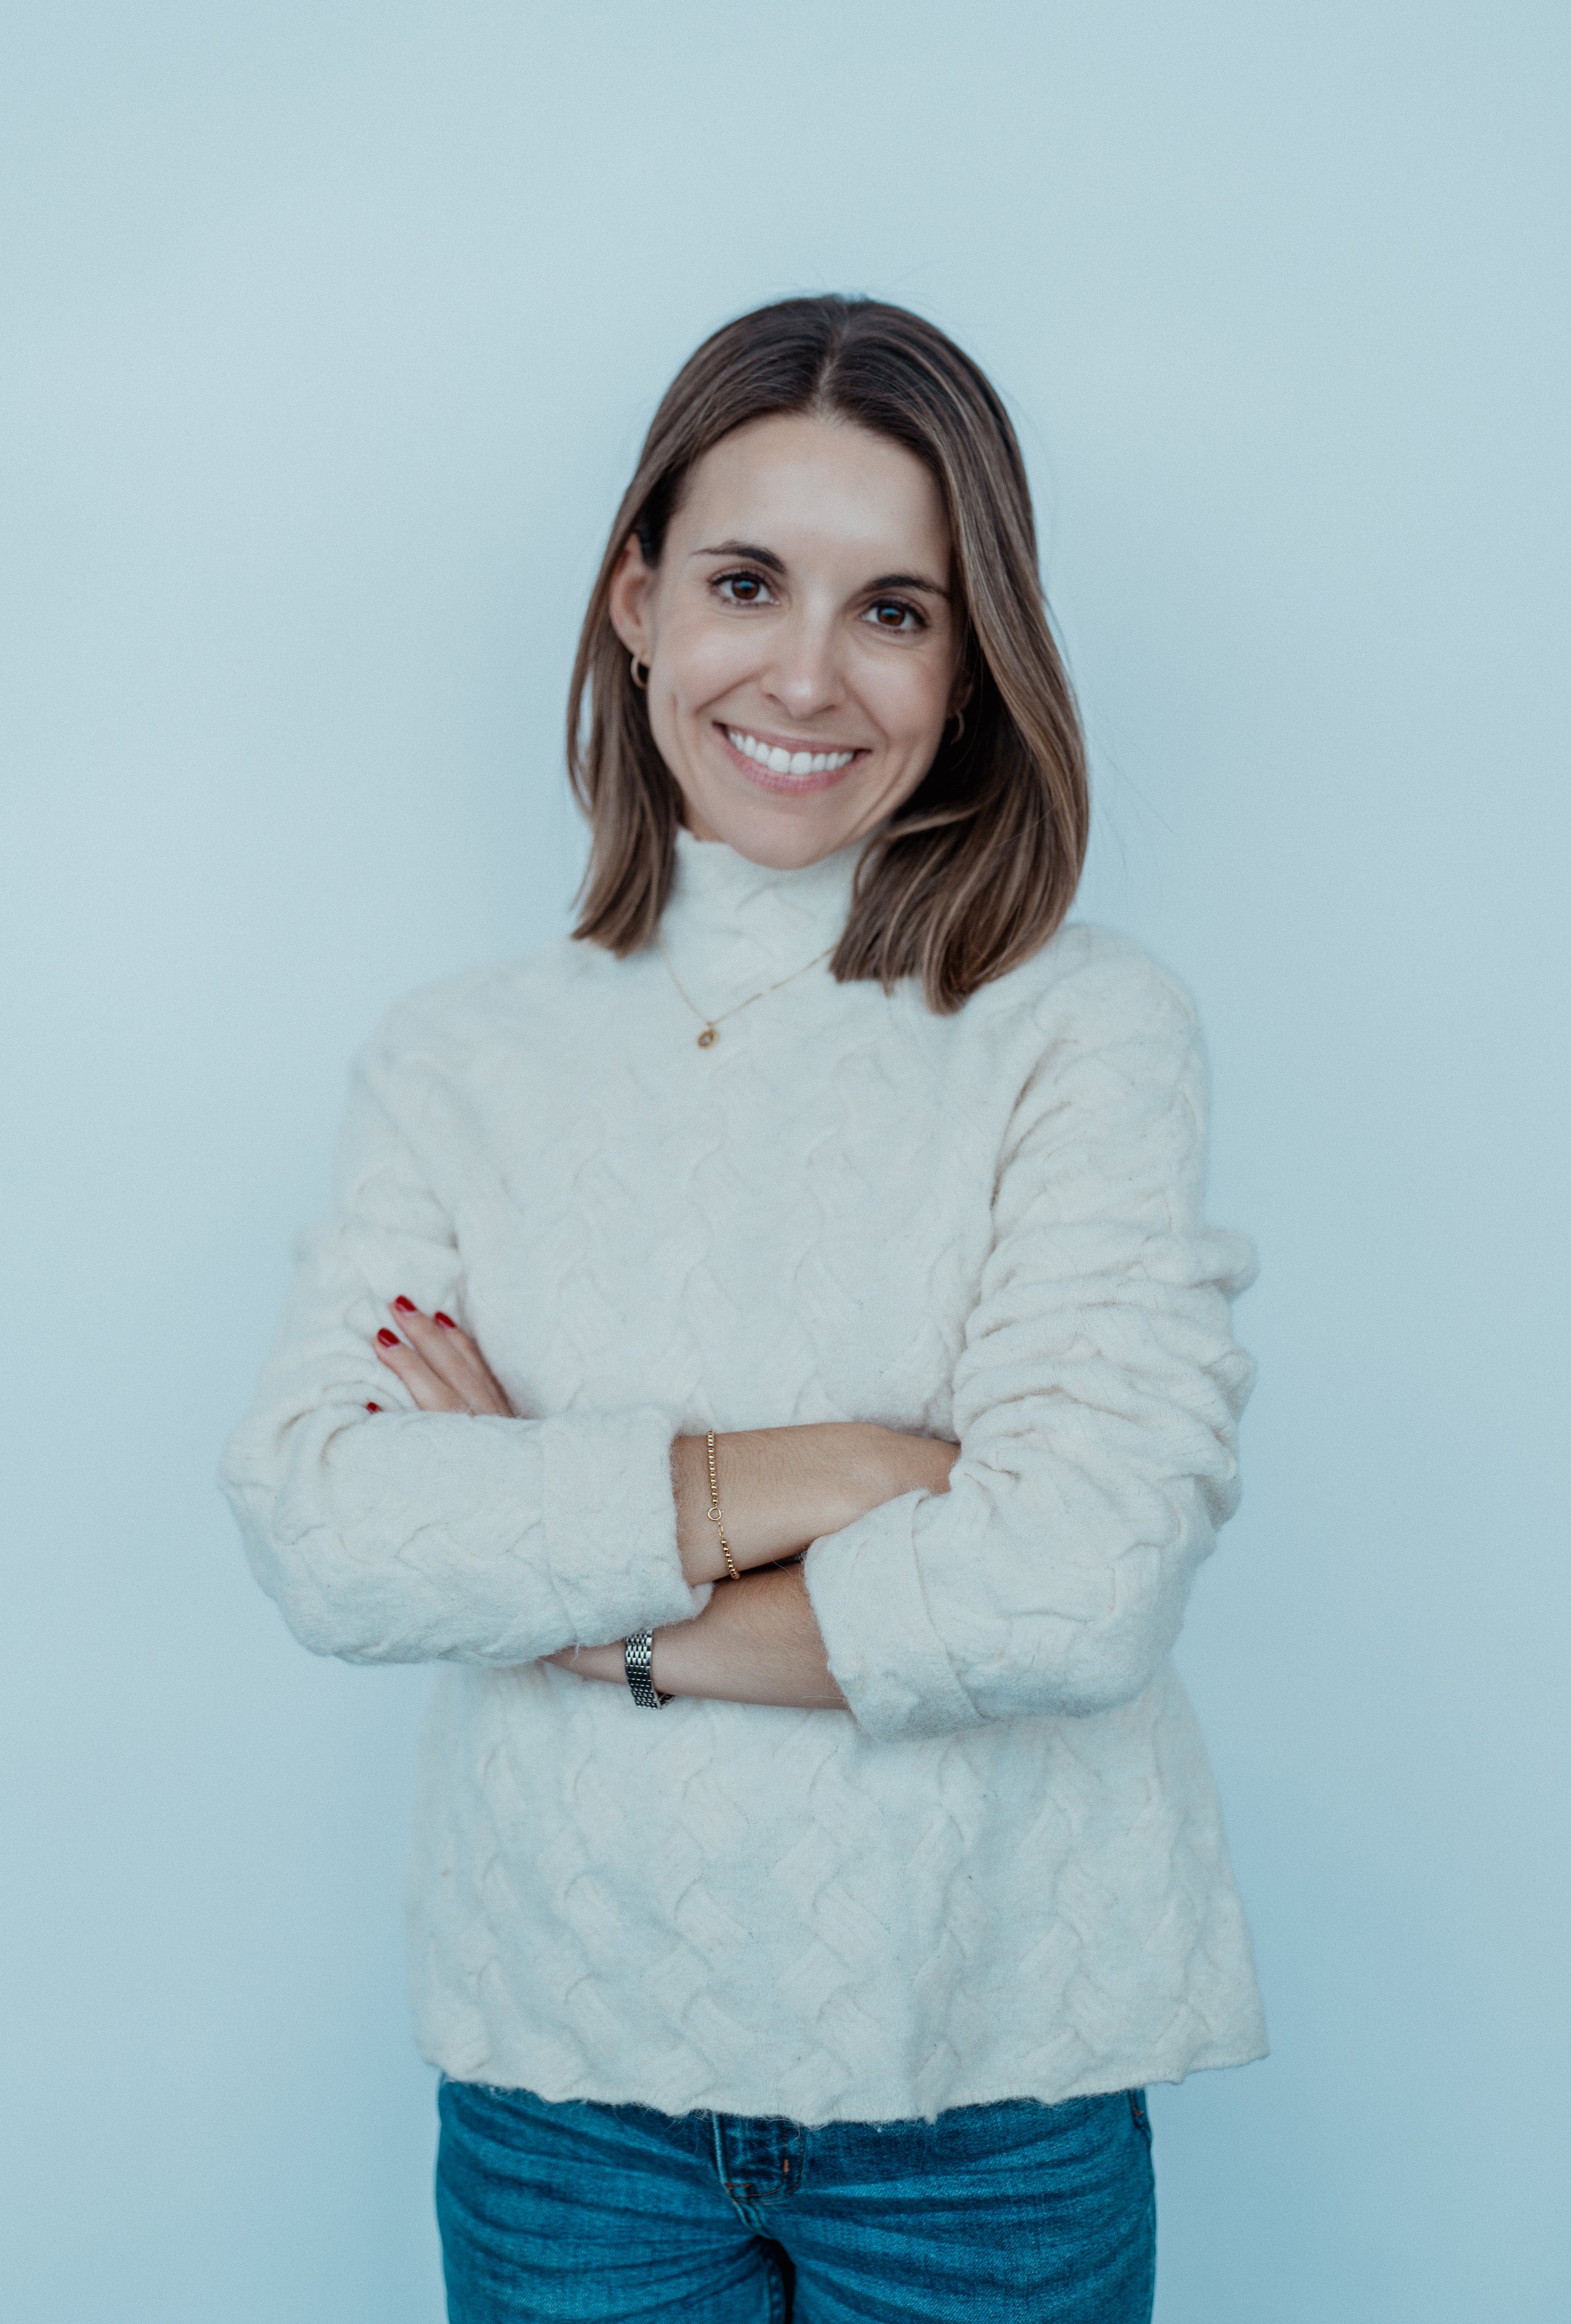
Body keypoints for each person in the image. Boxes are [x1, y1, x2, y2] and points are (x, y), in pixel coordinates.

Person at [221, 294, 1266, 2323]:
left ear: (974, 666)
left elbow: (1076, 1582)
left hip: (992, 2087)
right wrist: (862, 1472)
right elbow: (325, 1533)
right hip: (563, 2093)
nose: (806, 673)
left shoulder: (1082, 1026)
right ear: (634, 600)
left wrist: (574, 1585)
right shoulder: (456, 1060)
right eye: (742, 582)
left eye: (895, 609)